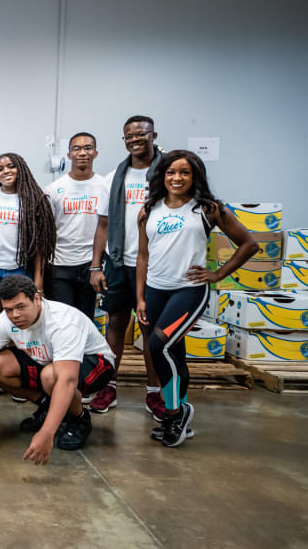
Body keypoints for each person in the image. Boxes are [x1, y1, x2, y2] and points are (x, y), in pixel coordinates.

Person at [137, 150, 258, 447]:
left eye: (184, 172)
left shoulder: (207, 209)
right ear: (161, 176)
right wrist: (139, 297)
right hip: (155, 289)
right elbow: (142, 256)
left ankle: (176, 411)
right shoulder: (148, 209)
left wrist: (217, 274)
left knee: (157, 344)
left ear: (195, 177)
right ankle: (180, 420)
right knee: (174, 352)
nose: (177, 178)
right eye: (170, 172)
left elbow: (249, 244)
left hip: (188, 290)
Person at [0, 275, 116, 463]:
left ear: (37, 299)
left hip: (96, 362)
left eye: (21, 307)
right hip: (48, 361)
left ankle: (79, 419)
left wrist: (47, 433)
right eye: (8, 310)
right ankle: (48, 408)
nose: (15, 315)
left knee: (51, 377)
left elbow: (67, 380)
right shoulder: (6, 320)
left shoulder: (62, 322)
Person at [89, 115, 163, 417]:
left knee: (151, 330)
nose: (135, 139)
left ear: (153, 135)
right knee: (116, 325)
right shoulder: (113, 178)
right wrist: (96, 266)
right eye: (129, 135)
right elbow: (103, 224)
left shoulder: (168, 173)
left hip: (157, 264)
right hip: (120, 262)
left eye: (140, 134)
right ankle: (109, 386)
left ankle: (155, 392)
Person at [0, 153, 56, 398]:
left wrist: (37, 280)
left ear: (21, 169)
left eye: (11, 166)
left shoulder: (32, 200)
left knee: (22, 323)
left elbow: (39, 246)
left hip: (19, 269)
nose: (5, 171)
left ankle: (22, 376)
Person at [44, 133, 106, 320]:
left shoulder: (105, 186)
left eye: (88, 148)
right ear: (69, 155)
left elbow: (106, 227)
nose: (82, 153)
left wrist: (96, 267)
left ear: (95, 153)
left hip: (90, 264)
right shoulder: (54, 189)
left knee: (85, 319)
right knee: (62, 320)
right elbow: (46, 232)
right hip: (59, 264)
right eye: (76, 148)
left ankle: (83, 351)